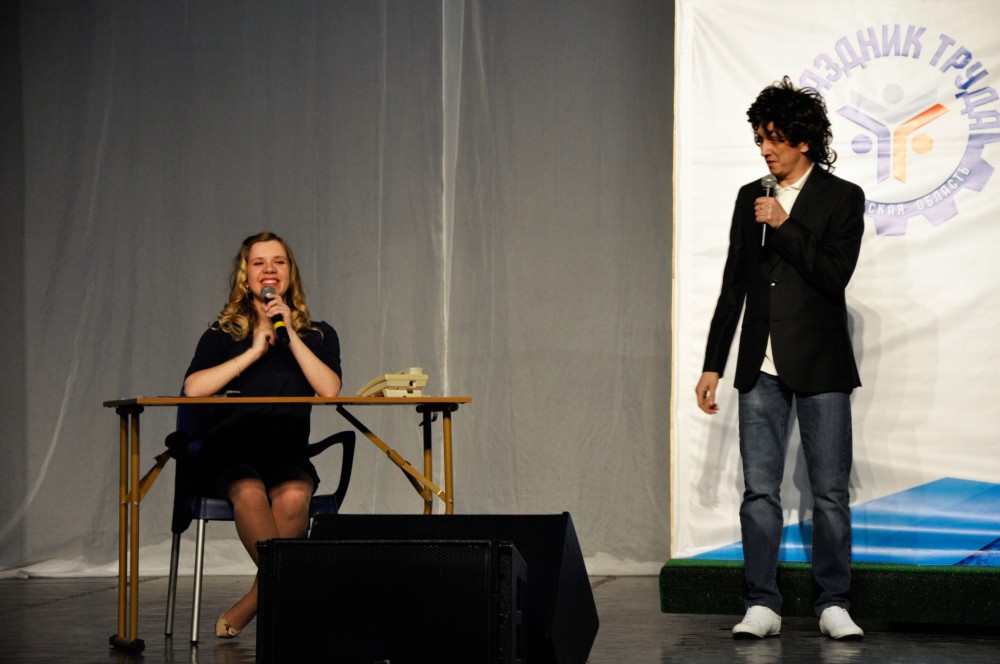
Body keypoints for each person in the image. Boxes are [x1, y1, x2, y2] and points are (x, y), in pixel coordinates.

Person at [694, 77, 866, 640]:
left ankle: (833, 601)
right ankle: (762, 603)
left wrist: (785, 224)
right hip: (759, 365)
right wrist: (713, 363)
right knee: (759, 491)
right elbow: (734, 283)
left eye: (774, 139)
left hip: (821, 362)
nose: (765, 149)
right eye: (760, 139)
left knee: (830, 492)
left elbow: (833, 274)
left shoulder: (842, 197)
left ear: (804, 140)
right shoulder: (751, 195)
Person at [182, 231, 342, 638]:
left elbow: (329, 390)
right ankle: (294, 595)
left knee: (294, 495)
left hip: (287, 452)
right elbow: (193, 389)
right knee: (249, 491)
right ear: (246, 275)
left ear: (290, 273)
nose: (269, 270)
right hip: (231, 453)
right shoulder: (222, 333)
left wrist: (290, 335)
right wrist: (254, 350)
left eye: (278, 262)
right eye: (259, 263)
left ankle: (254, 603)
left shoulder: (318, 334)